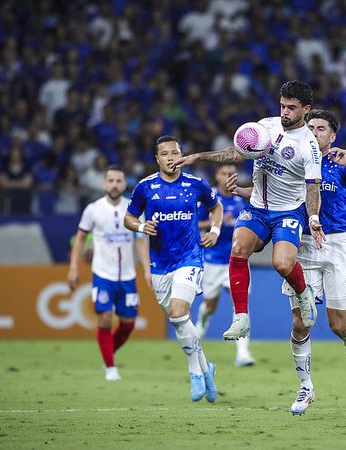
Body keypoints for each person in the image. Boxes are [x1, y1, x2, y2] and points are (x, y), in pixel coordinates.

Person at [226, 109, 346, 414]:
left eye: (321, 128)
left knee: (338, 324)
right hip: (303, 242)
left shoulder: (339, 160)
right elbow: (268, 197)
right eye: (311, 127)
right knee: (301, 322)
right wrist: (240, 191)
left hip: (338, 245)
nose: (315, 132)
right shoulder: (294, 154)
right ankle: (305, 387)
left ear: (333, 135)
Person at [172, 80, 324, 341]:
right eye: (282, 106)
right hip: (258, 207)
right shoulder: (265, 126)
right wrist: (198, 156)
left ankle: (303, 293)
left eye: (291, 108)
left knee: (282, 264)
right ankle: (241, 318)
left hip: (288, 212)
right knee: (238, 248)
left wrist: (313, 217)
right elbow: (237, 153)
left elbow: (312, 189)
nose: (285, 112)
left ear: (306, 109)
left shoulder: (309, 147)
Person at [124, 135, 223, 403]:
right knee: (181, 323)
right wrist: (142, 226)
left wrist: (215, 230)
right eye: (164, 154)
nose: (170, 157)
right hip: (160, 265)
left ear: (181, 155)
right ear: (157, 159)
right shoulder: (145, 187)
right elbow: (129, 218)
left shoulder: (195, 184)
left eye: (175, 152)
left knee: (180, 311)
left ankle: (194, 373)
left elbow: (216, 207)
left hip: (190, 258)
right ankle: (207, 369)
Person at [67, 165, 151, 381]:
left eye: (119, 181)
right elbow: (79, 239)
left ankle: (107, 352)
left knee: (128, 324)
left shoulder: (133, 209)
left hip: (128, 275)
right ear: (104, 184)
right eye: (111, 180)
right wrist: (74, 267)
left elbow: (140, 241)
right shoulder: (93, 209)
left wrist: (147, 269)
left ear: (124, 184)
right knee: (105, 319)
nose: (115, 185)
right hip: (103, 274)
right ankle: (110, 367)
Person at [196, 163, 255, 367]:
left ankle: (243, 354)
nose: (228, 176)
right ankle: (198, 332)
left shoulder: (241, 201)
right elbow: (194, 224)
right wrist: (217, 223)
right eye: (223, 173)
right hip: (212, 261)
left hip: (236, 262)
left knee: (240, 306)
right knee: (210, 307)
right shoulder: (209, 199)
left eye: (231, 174)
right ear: (217, 176)